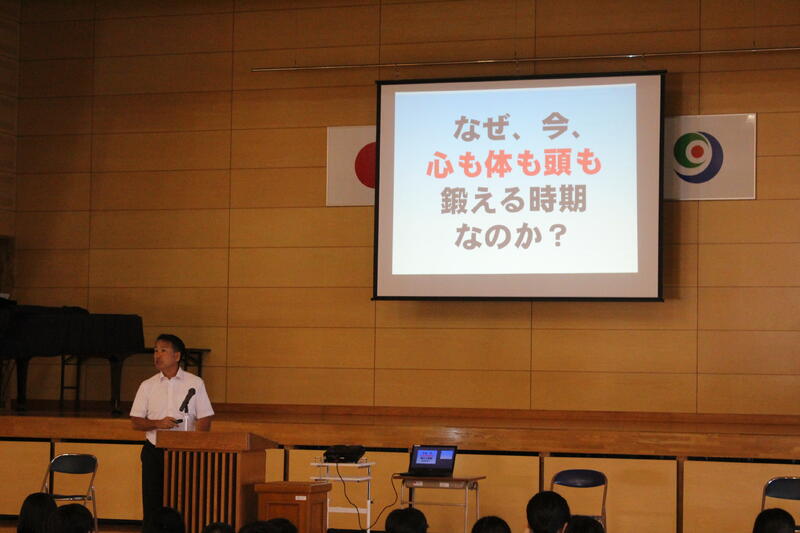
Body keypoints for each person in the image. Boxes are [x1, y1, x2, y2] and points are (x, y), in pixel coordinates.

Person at [130, 334, 214, 529]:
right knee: (152, 500)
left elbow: (205, 417)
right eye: (155, 351)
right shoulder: (147, 385)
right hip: (154, 450)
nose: (157, 355)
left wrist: (196, 445)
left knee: (184, 500)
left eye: (163, 350)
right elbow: (136, 421)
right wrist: (157, 423)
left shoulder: (195, 383)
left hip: (185, 452)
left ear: (177, 356)